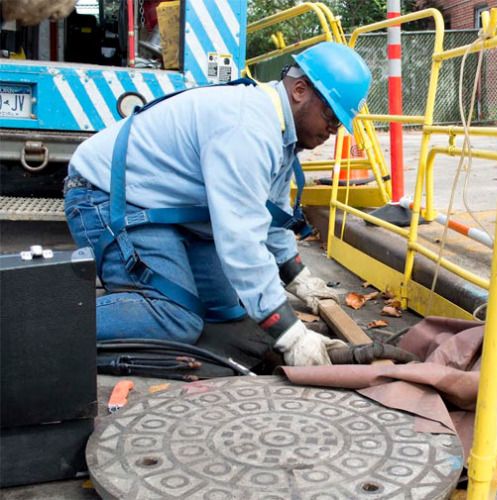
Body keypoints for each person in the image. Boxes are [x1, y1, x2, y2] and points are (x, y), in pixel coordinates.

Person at [64, 41, 372, 367]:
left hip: (161, 207)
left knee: (226, 308)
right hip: (106, 197)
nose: (332, 130)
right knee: (176, 317)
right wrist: (291, 335)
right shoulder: (248, 128)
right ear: (299, 90)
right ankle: (34, 320)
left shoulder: (280, 132)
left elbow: (271, 216)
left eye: (339, 123)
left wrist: (300, 279)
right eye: (331, 116)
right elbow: (241, 239)